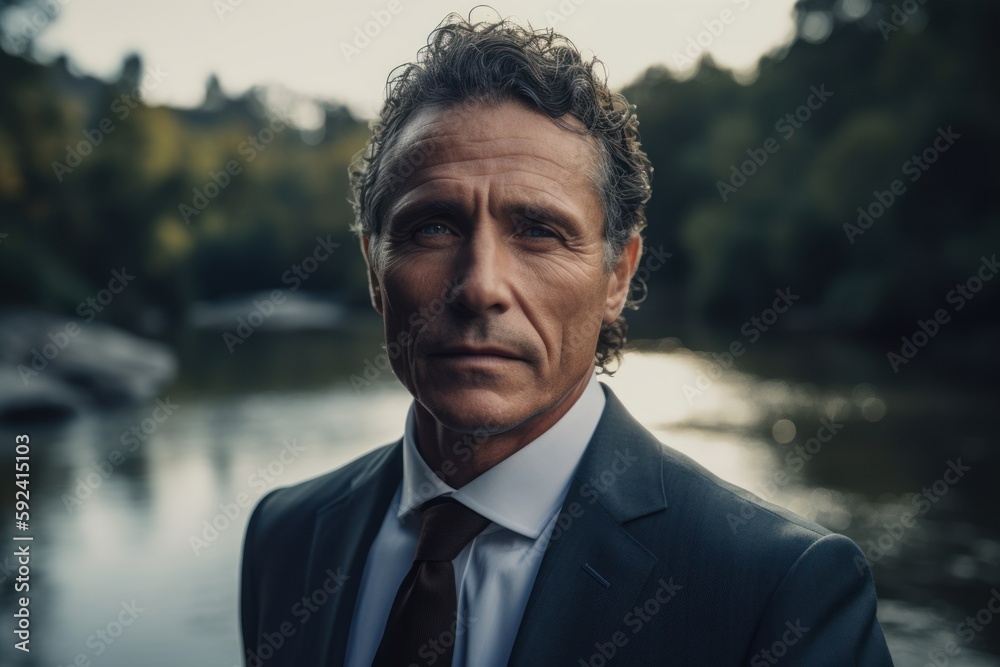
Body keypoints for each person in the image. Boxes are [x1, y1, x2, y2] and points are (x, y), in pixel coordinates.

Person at [239, 12, 894, 667]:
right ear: (373, 269)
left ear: (618, 275)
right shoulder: (285, 536)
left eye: (539, 232)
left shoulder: (782, 590)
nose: (479, 287)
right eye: (433, 228)